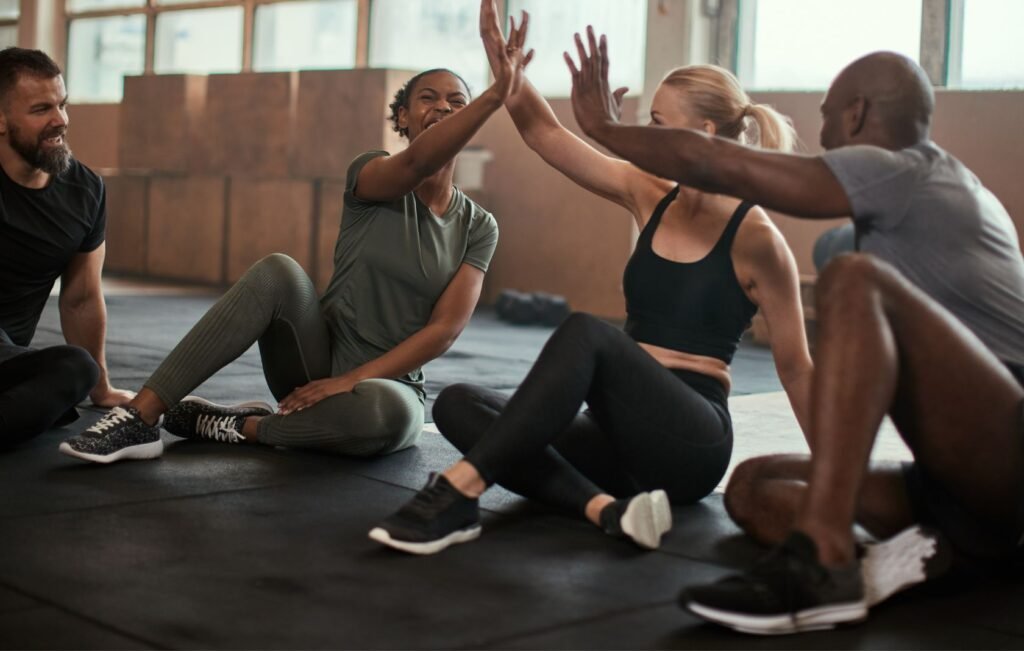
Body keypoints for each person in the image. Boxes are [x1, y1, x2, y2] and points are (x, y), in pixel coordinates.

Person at [568, 32, 1024, 635]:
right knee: (754, 489)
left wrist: (605, 126)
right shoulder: (913, 193)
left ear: (858, 111)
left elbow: (719, 163)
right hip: (955, 486)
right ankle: (931, 559)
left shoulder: (906, 169)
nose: (822, 118)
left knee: (853, 277)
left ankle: (825, 562)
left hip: (1008, 449)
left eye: (830, 105)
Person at [368, 3, 812, 556]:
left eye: (656, 123)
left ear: (701, 132)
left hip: (689, 442)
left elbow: (795, 368)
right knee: (458, 403)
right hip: (613, 437)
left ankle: (459, 491)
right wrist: (503, 63)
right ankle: (606, 510)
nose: (642, 134)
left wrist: (841, 490)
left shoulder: (757, 237)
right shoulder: (648, 192)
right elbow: (542, 132)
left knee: (589, 333)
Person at [59, 5, 531, 463]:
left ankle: (240, 427)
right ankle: (141, 417)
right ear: (402, 117)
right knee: (278, 271)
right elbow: (417, 162)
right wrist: (493, 96)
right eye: (428, 98)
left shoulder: (478, 226)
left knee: (388, 418)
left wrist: (353, 381)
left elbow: (444, 331)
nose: (444, 107)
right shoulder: (372, 174)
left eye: (457, 102)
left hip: (388, 385)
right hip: (313, 360)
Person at [0, 47, 133, 450]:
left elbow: (81, 298)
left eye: (62, 104)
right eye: (41, 109)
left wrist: (102, 388)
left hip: (7, 362)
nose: (60, 120)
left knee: (78, 368)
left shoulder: (86, 191)